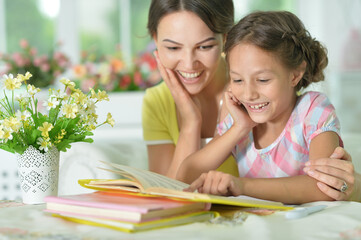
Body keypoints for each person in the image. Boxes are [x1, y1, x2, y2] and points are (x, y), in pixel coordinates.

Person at [142, 0, 360, 202]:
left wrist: (242, 186)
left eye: (263, 79)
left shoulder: (313, 110)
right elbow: (186, 174)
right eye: (237, 79)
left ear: (295, 75)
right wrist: (240, 128)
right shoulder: (238, 117)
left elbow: (325, 186)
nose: (248, 93)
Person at [142, 0, 239, 179]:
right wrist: (191, 123)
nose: (189, 64)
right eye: (173, 48)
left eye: (205, 47)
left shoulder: (255, 89)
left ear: (225, 37)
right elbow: (166, 194)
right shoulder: (157, 101)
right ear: (155, 39)